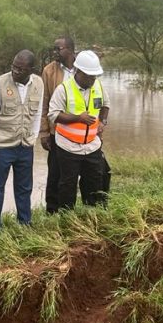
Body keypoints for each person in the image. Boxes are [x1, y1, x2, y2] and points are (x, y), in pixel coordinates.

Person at [0, 50, 43, 227]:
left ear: (31, 69)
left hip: (25, 146)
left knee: (24, 188)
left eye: (21, 69)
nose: (15, 71)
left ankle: (25, 222)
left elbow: (38, 113)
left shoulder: (39, 83)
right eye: (14, 67)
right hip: (2, 146)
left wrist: (33, 137)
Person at [48, 50, 110, 210]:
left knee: (94, 183)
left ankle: (93, 216)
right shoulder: (64, 89)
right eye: (89, 76)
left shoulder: (98, 86)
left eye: (95, 76)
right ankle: (67, 219)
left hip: (92, 146)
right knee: (67, 185)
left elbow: (106, 105)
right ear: (78, 71)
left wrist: (103, 121)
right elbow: (53, 115)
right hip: (68, 147)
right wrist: (78, 118)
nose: (92, 79)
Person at [39, 36, 76, 214]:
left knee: (82, 172)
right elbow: (44, 102)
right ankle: (52, 212)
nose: (54, 52)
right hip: (57, 131)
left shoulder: (83, 68)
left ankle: (75, 210)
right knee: (55, 174)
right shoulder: (49, 71)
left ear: (70, 49)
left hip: (81, 132)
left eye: (58, 49)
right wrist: (44, 132)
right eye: (53, 49)